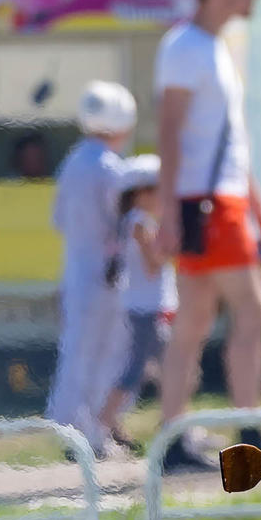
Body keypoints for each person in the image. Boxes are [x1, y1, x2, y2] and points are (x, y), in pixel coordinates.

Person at [154, 0, 261, 471]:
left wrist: (260, 205)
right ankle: (247, 429)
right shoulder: (189, 46)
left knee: (194, 321)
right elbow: (169, 130)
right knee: (255, 311)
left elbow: (228, 141)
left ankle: (174, 438)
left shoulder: (207, 46)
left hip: (209, 202)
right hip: (211, 205)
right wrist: (169, 210)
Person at [47, 81, 135, 456]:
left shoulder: (73, 161)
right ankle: (91, 435)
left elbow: (59, 220)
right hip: (107, 276)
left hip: (76, 270)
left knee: (77, 352)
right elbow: (124, 223)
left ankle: (73, 432)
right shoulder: (111, 167)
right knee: (106, 354)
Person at [98, 155, 177, 446]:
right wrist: (174, 242)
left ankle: (113, 424)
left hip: (147, 307)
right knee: (160, 369)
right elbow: (154, 263)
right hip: (148, 309)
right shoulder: (141, 223)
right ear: (141, 193)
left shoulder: (135, 221)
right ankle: (103, 425)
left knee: (159, 369)